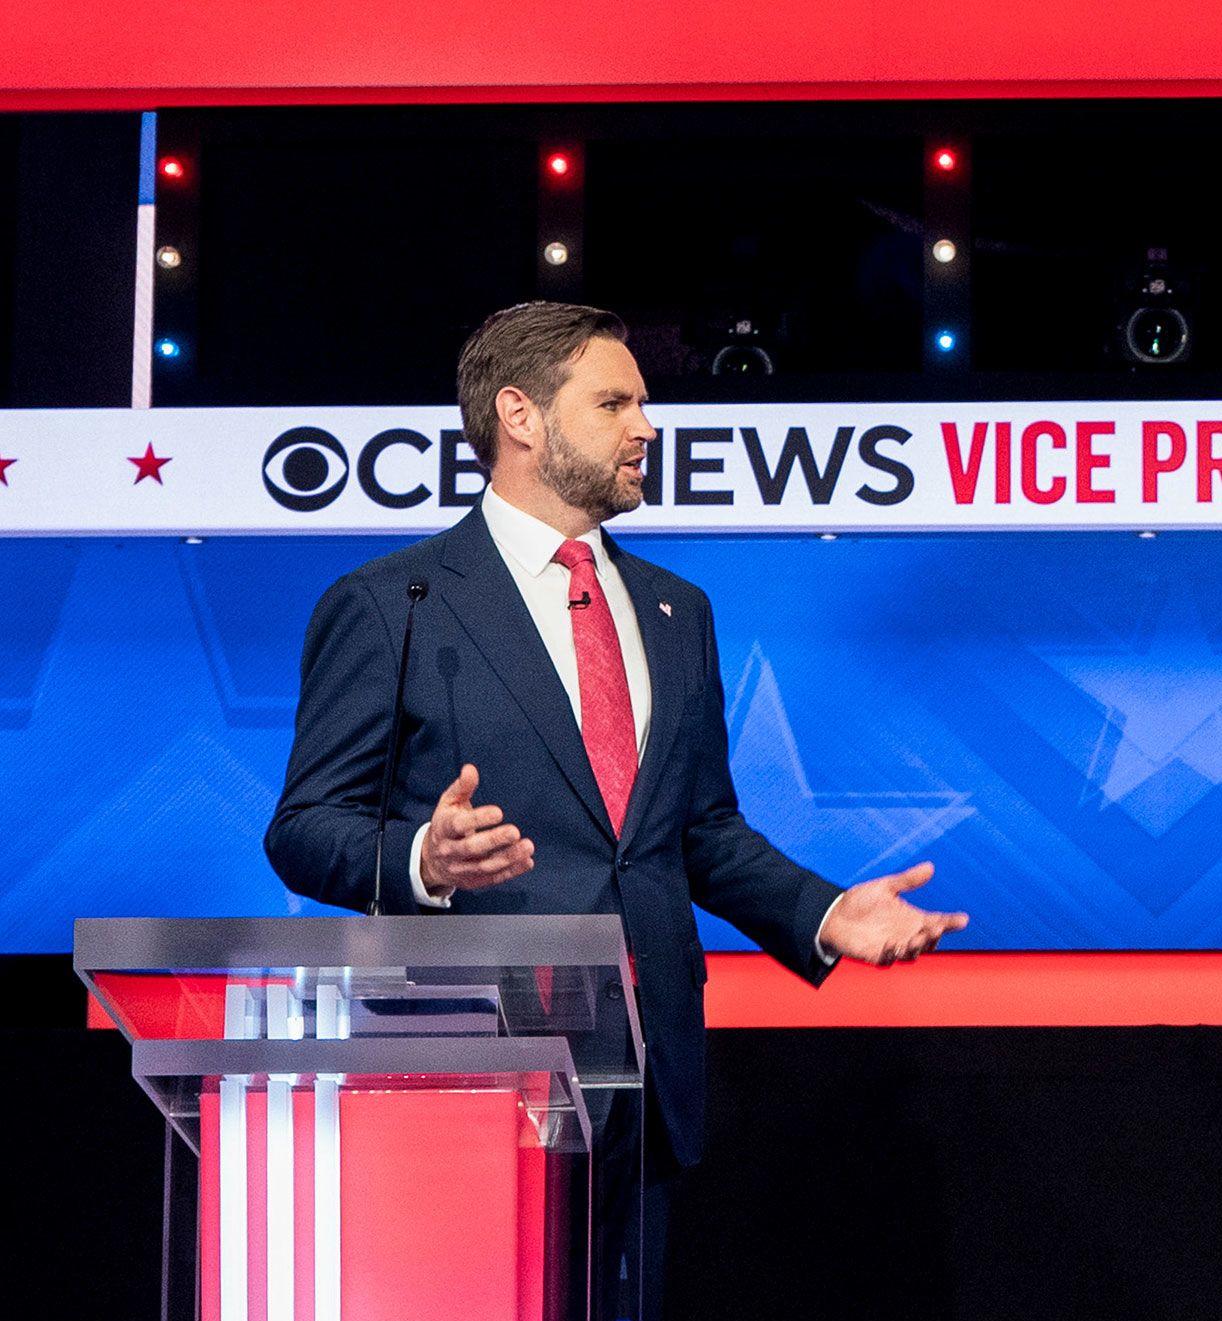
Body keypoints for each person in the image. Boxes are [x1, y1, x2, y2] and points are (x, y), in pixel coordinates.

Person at [266, 300, 969, 1173]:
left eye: (641, 404)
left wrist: (823, 912)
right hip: (472, 1067)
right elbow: (303, 828)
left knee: (641, 1313)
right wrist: (423, 861)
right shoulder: (392, 603)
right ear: (519, 415)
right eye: (614, 405)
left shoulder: (677, 610)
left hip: (652, 1069)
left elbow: (699, 832)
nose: (647, 427)